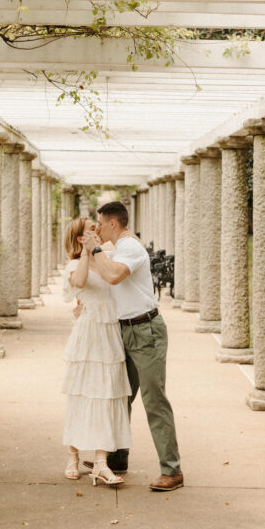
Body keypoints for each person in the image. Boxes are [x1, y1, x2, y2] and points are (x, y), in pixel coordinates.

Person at [81, 201, 184, 492]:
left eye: (100, 223)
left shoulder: (132, 248)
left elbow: (113, 275)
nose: (97, 228)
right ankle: (116, 457)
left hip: (146, 331)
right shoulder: (120, 248)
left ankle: (172, 470)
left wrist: (96, 249)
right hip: (125, 331)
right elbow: (100, 273)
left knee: (155, 401)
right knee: (119, 397)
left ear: (114, 223)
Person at [61, 217, 131, 487]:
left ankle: (101, 463)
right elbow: (79, 283)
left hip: (109, 331)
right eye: (92, 229)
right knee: (81, 394)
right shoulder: (75, 263)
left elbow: (124, 250)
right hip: (88, 332)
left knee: (107, 395)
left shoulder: (109, 255)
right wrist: (87, 252)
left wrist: (99, 249)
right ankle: (73, 454)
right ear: (80, 238)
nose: (98, 231)